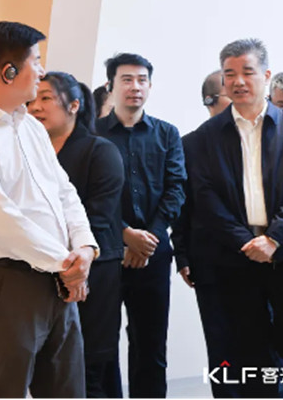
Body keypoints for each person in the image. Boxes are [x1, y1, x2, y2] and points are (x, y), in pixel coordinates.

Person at [0, 21, 99, 397]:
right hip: (6, 279)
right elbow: (1, 221)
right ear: (9, 72)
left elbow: (64, 192)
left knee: (68, 389)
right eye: (35, 61)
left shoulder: (31, 127)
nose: (41, 71)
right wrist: (68, 265)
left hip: (58, 278)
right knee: (4, 390)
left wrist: (84, 248)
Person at [191, 38, 283, 398]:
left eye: (247, 72)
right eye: (229, 74)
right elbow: (206, 198)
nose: (238, 81)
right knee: (249, 348)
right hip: (238, 257)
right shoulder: (206, 136)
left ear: (265, 75)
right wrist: (246, 242)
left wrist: (274, 238)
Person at [27, 72, 125, 398]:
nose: (35, 107)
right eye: (31, 100)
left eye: (45, 98)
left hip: (93, 266)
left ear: (73, 105)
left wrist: (74, 263)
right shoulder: (31, 152)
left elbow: (99, 217)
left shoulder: (100, 150)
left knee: (91, 362)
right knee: (52, 368)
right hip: (44, 268)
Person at [95, 53, 186, 398]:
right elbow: (88, 196)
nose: (136, 87)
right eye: (127, 79)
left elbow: (176, 189)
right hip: (106, 253)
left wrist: (149, 238)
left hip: (154, 255)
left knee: (151, 345)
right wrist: (124, 234)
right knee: (103, 345)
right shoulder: (92, 135)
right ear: (110, 86)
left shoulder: (167, 133)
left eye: (142, 80)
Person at [171, 70, 237, 398]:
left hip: (258, 259)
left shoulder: (254, 139)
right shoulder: (189, 145)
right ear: (211, 101)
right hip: (209, 260)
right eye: (232, 94)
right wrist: (182, 255)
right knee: (219, 339)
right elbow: (181, 206)